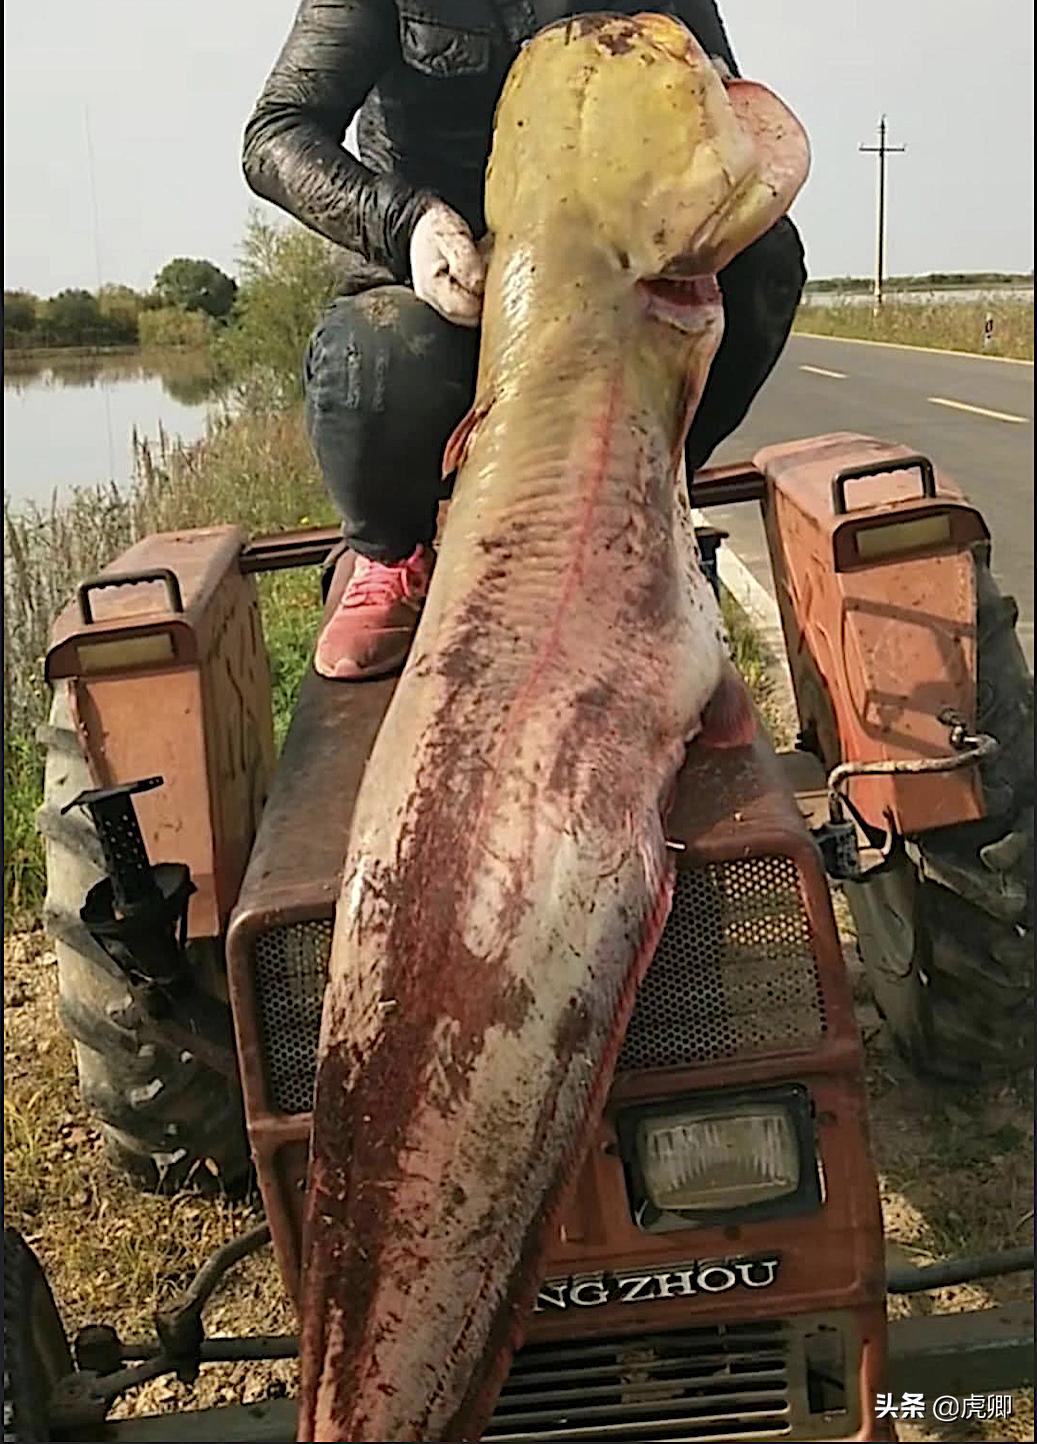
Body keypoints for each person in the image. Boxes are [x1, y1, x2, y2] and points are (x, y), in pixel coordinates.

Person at [243, 0, 806, 680]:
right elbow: (277, 135)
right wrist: (404, 224)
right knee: (372, 357)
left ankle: (650, 505)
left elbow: (719, 100)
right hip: (444, 278)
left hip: (612, 275)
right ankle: (392, 554)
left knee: (765, 261)